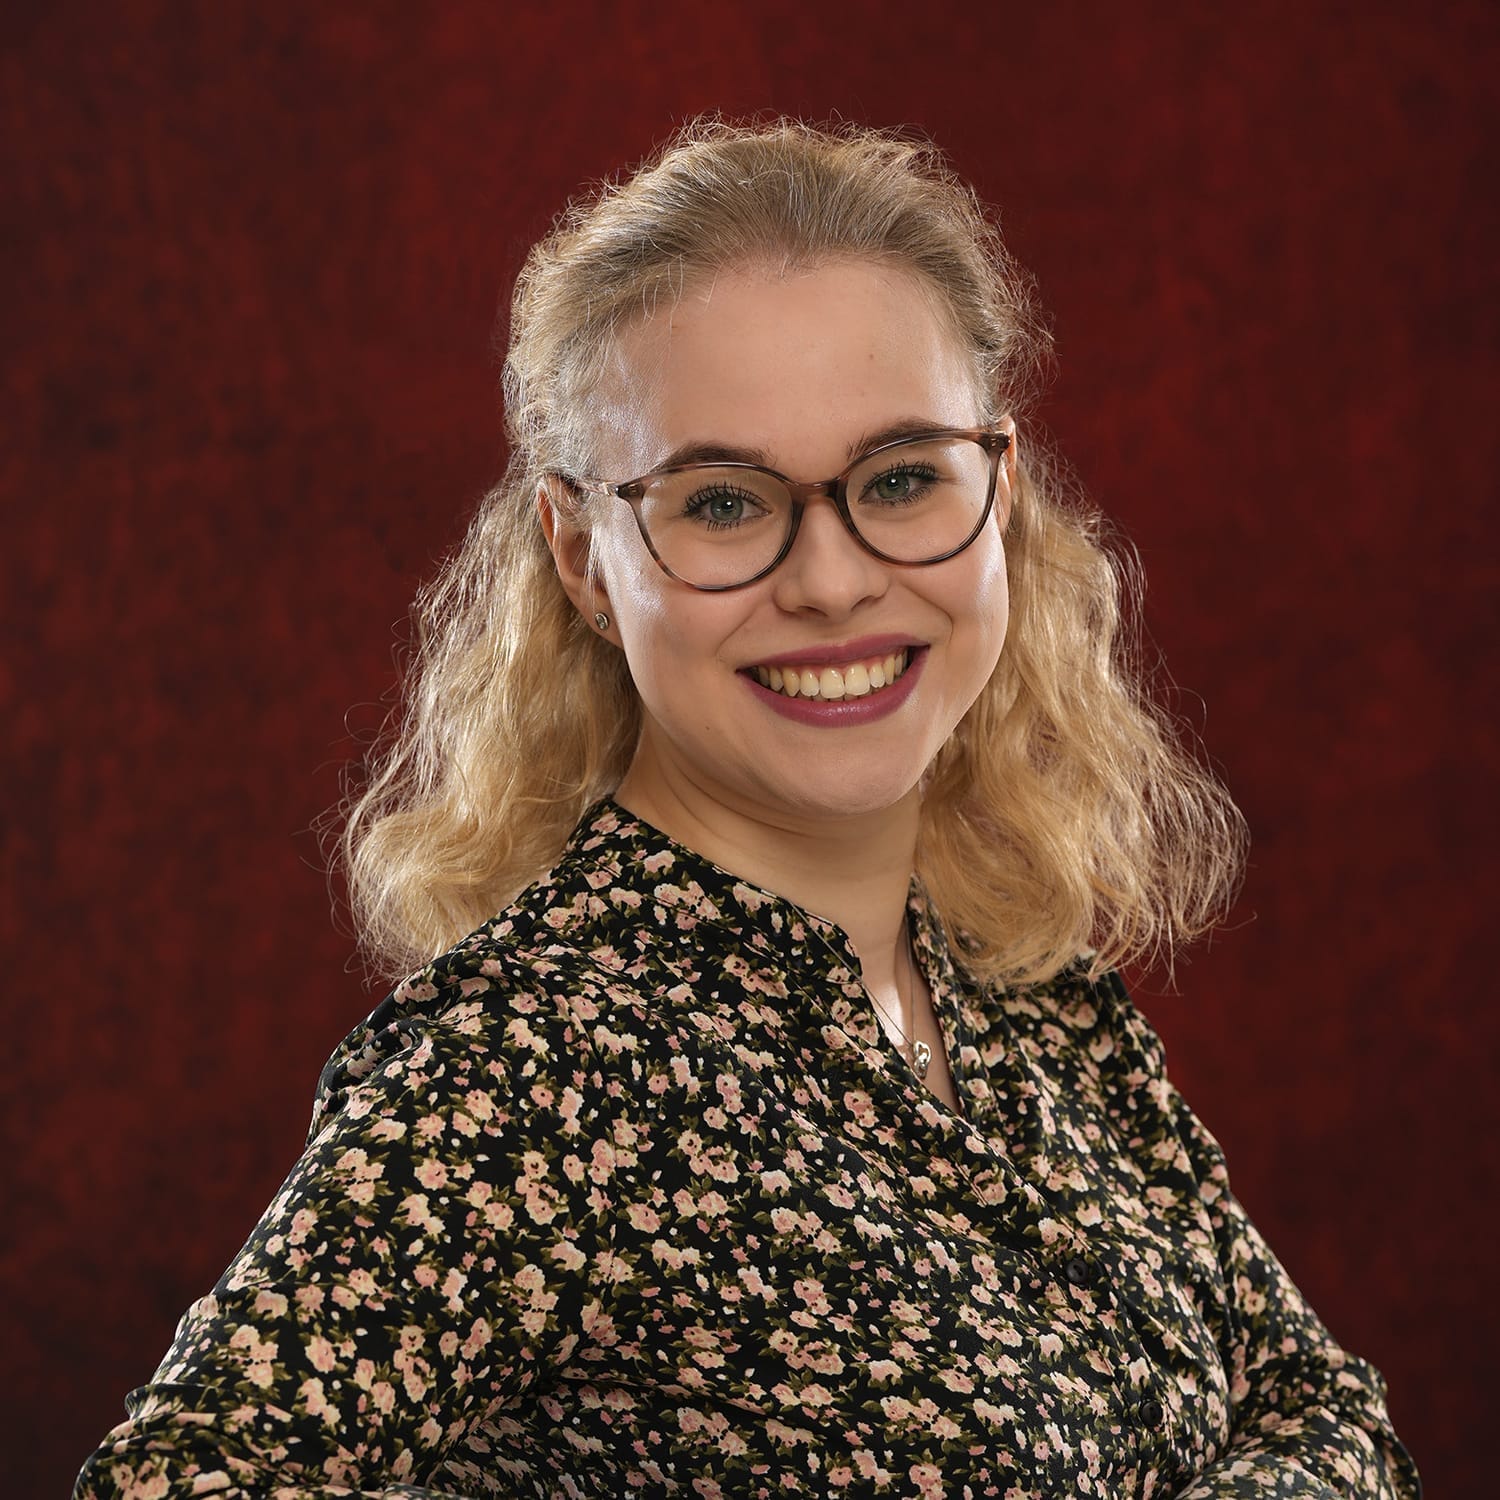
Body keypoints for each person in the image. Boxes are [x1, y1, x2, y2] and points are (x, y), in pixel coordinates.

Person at [75, 119, 1420, 1499]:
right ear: (582, 556)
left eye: (903, 479)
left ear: (1001, 492)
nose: (831, 582)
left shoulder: (1042, 1000)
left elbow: (1329, 1418)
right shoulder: (532, 1067)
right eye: (723, 503)